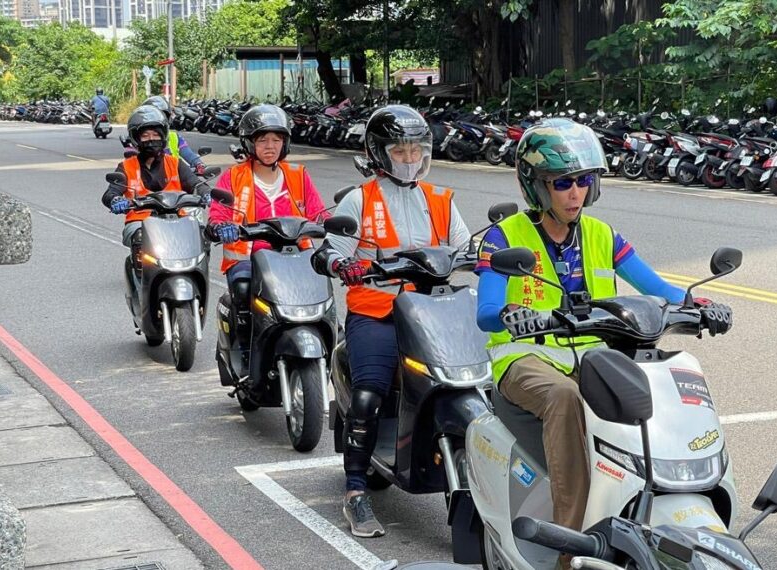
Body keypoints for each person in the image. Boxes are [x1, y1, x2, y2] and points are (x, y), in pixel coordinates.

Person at [475, 118, 732, 557]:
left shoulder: (601, 234)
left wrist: (699, 303)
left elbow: (656, 286)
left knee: (658, 387)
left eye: (583, 180)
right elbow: (485, 312)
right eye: (562, 183)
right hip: (526, 362)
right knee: (563, 398)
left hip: (594, 357)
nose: (575, 192)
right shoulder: (505, 237)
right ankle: (570, 549)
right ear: (537, 186)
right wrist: (513, 314)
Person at [310, 105, 471, 538]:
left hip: (432, 312)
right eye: (399, 150)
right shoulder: (359, 199)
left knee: (475, 382)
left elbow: (466, 246)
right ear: (380, 154)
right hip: (376, 312)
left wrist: (487, 255)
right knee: (368, 395)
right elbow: (327, 250)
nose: (409, 157)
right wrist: (343, 265)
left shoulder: (440, 199)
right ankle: (356, 491)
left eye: (415, 149)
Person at [206, 104, 329, 363]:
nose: (270, 146)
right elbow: (218, 214)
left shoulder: (298, 175)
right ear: (249, 144)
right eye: (262, 140)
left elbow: (319, 213)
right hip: (248, 258)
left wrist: (331, 227)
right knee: (242, 290)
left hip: (297, 257)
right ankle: (246, 354)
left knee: (323, 295)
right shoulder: (233, 177)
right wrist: (221, 227)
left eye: (277, 139)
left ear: (285, 143)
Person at [101, 105, 210, 271]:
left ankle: (198, 275)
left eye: (155, 134)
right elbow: (110, 193)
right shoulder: (126, 166)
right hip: (140, 221)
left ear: (163, 136)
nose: (151, 139)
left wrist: (206, 193)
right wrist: (116, 200)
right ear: (136, 139)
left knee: (201, 234)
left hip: (177, 218)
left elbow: (195, 183)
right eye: (145, 136)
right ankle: (141, 279)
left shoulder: (175, 163)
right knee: (139, 236)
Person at [142, 95, 207, 175]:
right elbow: (131, 159)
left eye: (162, 116)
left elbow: (188, 154)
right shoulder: (137, 138)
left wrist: (199, 164)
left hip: (176, 179)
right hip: (147, 182)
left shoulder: (174, 137)